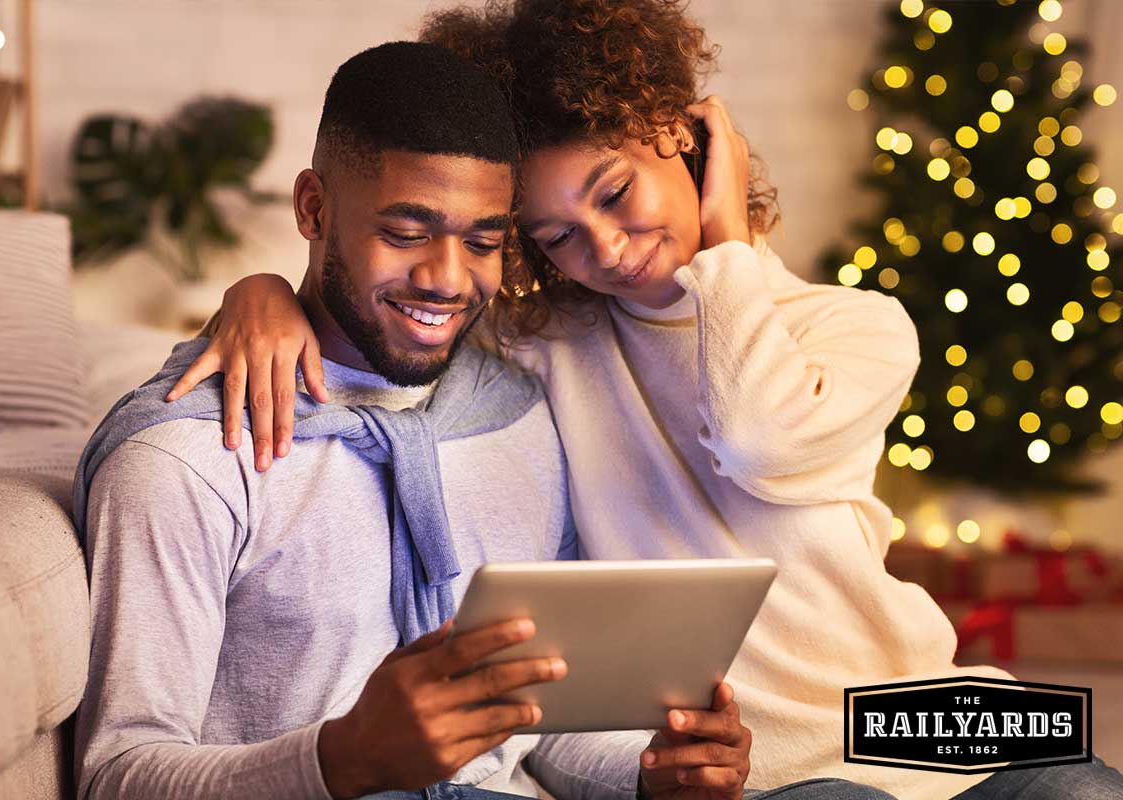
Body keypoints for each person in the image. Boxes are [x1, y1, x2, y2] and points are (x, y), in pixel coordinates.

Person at [171, 2, 1123, 800]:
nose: (606, 248)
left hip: (915, 713)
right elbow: (389, 308)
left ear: (687, 138)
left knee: (1084, 784)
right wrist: (260, 292)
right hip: (762, 765)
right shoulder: (548, 346)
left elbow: (760, 437)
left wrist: (726, 242)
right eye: (557, 235)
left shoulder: (855, 328)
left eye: (616, 193)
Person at [72, 40, 766, 800]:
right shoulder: (190, 458)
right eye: (405, 234)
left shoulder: (513, 412)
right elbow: (117, 776)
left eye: (484, 242)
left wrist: (656, 775)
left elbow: (541, 724)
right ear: (313, 209)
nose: (446, 280)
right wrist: (342, 760)